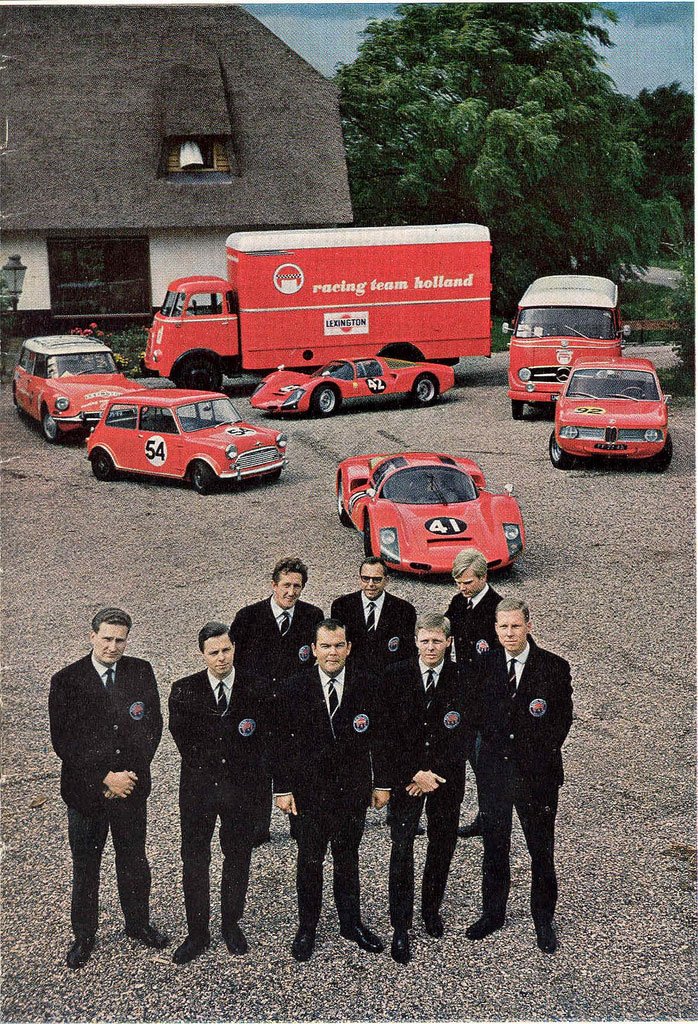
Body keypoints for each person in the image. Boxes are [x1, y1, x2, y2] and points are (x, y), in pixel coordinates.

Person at [48, 608, 168, 970]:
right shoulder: (67, 680)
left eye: (120, 639)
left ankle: (138, 924)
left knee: (133, 860)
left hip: (130, 787)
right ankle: (84, 935)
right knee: (87, 866)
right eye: (107, 638)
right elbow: (64, 741)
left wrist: (128, 775)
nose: (113, 646)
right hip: (87, 792)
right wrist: (105, 777)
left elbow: (152, 726)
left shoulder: (140, 671)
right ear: (92, 636)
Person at [274, 619, 388, 961]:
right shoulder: (295, 687)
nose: (333, 652)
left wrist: (380, 783)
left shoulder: (367, 684)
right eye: (325, 646)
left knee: (347, 858)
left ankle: (350, 924)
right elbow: (280, 742)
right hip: (309, 794)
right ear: (313, 650)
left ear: (349, 648)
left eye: (339, 645)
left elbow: (380, 739)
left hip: (351, 791)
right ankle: (307, 927)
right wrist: (282, 788)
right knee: (309, 861)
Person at [464, 598, 573, 954]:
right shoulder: (485, 665)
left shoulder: (554, 667)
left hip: (536, 776)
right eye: (502, 627)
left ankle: (543, 919)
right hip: (495, 774)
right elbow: (475, 718)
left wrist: (529, 758)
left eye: (515, 626)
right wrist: (486, 759)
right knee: (495, 847)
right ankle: (493, 914)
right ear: (495, 630)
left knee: (541, 850)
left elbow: (559, 724)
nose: (509, 633)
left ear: (528, 625)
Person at [169, 623, 271, 964]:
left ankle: (231, 924)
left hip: (241, 790)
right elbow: (187, 745)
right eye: (213, 652)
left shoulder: (255, 687)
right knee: (195, 859)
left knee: (238, 856)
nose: (221, 657)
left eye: (226, 650)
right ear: (202, 655)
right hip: (199, 790)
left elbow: (262, 741)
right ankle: (197, 933)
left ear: (234, 649)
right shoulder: (184, 690)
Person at [383, 613, 469, 964]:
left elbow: (465, 734)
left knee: (442, 843)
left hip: (445, 779)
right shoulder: (395, 677)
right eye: (424, 640)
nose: (430, 647)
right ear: (415, 641)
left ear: (448, 642)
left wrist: (433, 774)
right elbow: (387, 736)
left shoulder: (464, 678)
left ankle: (431, 910)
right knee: (402, 847)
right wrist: (414, 773)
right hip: (408, 780)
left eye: (437, 641)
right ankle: (400, 927)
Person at [230, 557, 324, 843]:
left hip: (296, 707)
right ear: (274, 585)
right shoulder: (248, 617)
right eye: (286, 585)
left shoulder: (312, 616)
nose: (291, 592)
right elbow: (233, 663)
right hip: (258, 706)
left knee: (298, 762)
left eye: (297, 586)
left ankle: (300, 823)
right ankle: (259, 828)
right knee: (259, 766)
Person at [444, 548, 502, 840]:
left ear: (483, 576)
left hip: (488, 699)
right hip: (462, 694)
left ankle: (489, 818)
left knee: (484, 762)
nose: (462, 588)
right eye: (458, 582)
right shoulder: (458, 602)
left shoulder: (498, 610)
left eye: (467, 582)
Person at [330, 556, 417, 672]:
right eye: (365, 579)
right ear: (359, 579)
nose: (370, 584)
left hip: (389, 678)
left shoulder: (404, 610)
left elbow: (408, 653)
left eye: (376, 579)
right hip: (353, 677)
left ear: (386, 580)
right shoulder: (341, 606)